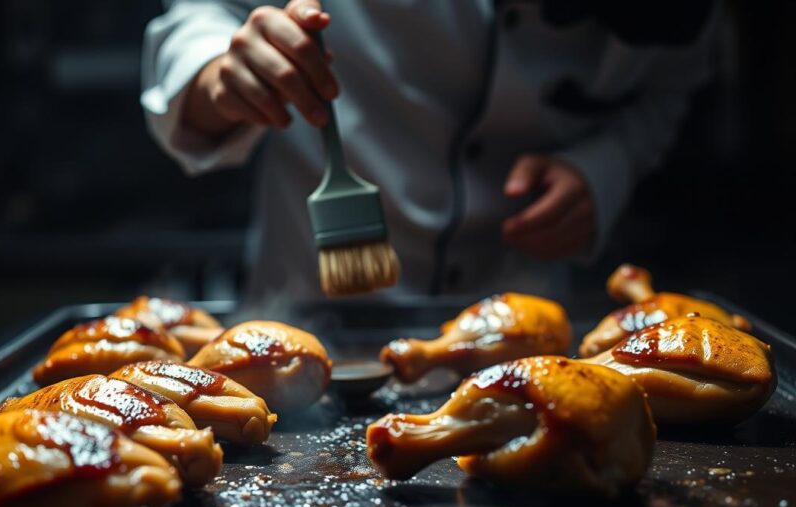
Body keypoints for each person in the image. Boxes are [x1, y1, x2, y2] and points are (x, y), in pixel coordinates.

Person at [141, 0, 717, 300]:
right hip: (306, 320)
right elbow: (200, 17)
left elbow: (674, 85)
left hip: (523, 333)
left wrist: (604, 167)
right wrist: (218, 73)